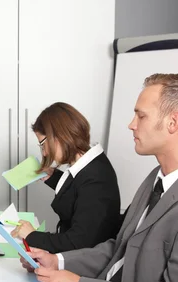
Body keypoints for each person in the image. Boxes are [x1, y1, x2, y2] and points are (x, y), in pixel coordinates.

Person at [21, 74, 178, 282]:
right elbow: (120, 249)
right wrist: (58, 261)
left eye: (141, 116)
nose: (131, 125)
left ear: (173, 122)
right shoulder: (156, 178)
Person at [10, 102, 121, 253]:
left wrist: (32, 235)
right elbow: (79, 192)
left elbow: (78, 242)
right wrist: (52, 176)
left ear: (59, 136)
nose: (44, 153)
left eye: (43, 144)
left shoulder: (96, 179)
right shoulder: (92, 165)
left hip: (83, 264)